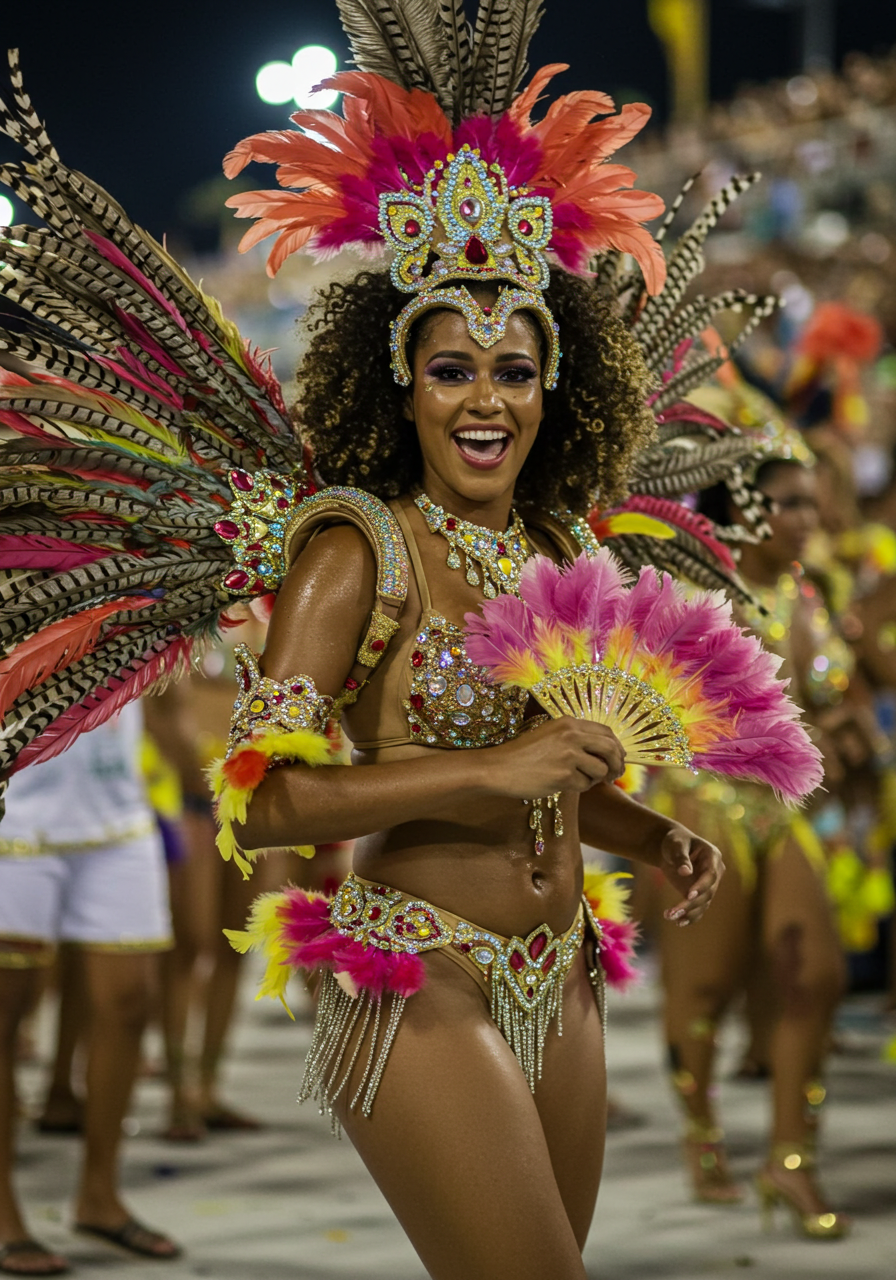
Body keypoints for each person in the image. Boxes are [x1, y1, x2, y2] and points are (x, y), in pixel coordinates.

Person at [644, 434, 865, 1237]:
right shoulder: (703, 599)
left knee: (818, 976)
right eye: (789, 502)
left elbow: (824, 697)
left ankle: (790, 1159)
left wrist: (842, 729)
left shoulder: (810, 596)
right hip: (709, 806)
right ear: (740, 510)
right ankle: (701, 1133)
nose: (809, 517)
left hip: (788, 814)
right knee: (704, 991)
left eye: (812, 501)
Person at [0, 706, 180, 1275]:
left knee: (131, 1004)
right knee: (4, 1018)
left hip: (118, 815)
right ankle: (3, 1214)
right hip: (13, 819)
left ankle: (99, 1196)